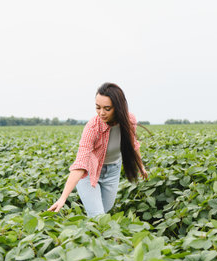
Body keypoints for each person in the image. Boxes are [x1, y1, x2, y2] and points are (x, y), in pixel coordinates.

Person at [48, 82, 147, 216]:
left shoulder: (129, 120)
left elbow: (133, 144)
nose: (101, 113)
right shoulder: (92, 127)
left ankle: (86, 231)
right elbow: (80, 163)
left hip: (113, 171)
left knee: (103, 211)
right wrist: (63, 198)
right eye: (98, 107)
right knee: (98, 216)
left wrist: (141, 166)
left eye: (107, 108)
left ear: (118, 107)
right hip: (89, 173)